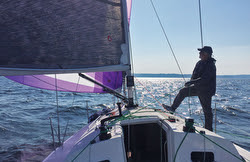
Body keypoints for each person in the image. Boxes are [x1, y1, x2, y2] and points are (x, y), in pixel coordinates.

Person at [163, 46, 216, 131]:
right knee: (183, 91)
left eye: (201, 52)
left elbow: (205, 79)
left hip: (206, 90)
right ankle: (172, 108)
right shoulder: (199, 63)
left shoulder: (211, 65)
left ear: (206, 54)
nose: (199, 54)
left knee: (207, 110)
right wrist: (191, 82)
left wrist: (192, 82)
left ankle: (209, 129)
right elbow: (194, 76)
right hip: (197, 88)